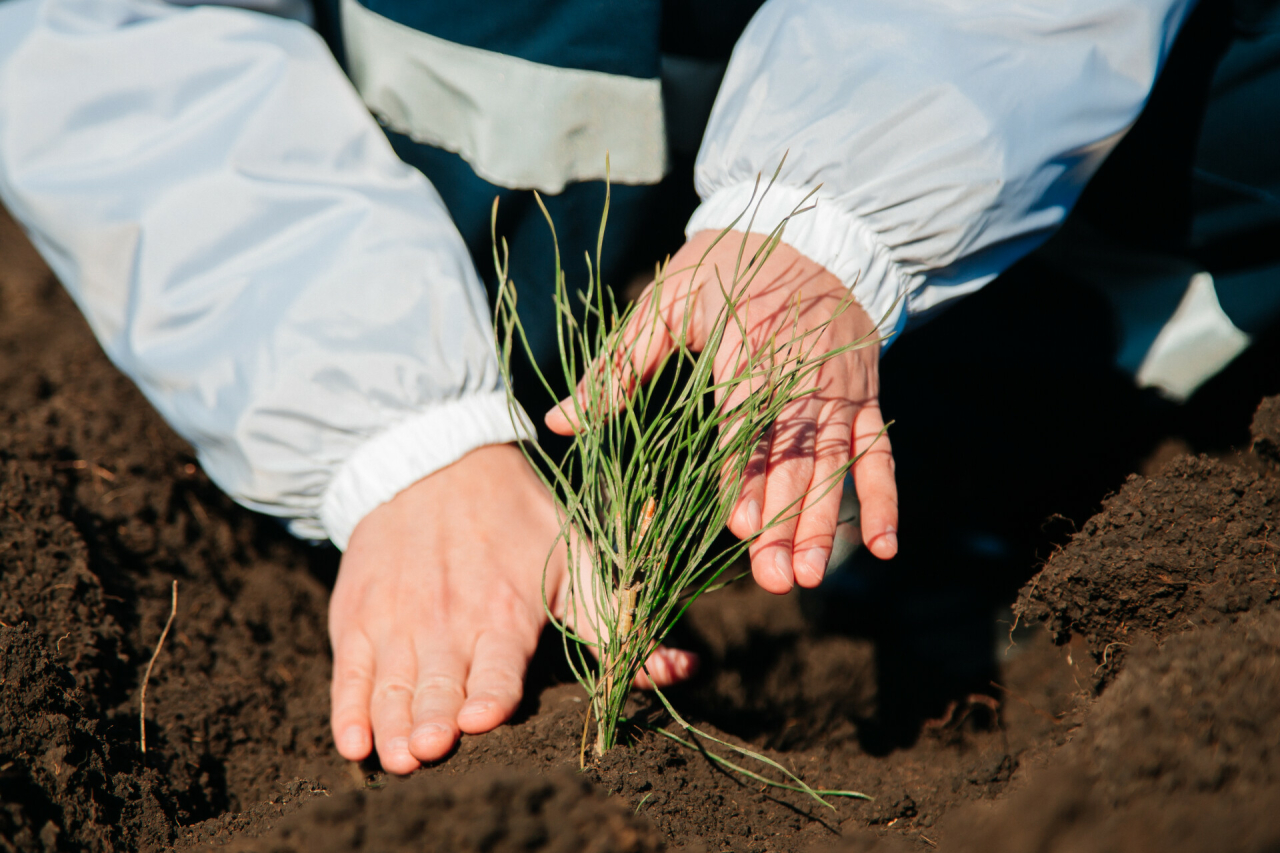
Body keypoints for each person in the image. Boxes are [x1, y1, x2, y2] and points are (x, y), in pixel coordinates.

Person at [3, 0, 1264, 776]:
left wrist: (833, 216)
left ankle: (1013, 483)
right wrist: (398, 436)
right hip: (495, 314)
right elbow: (104, 36)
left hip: (1037, 253)